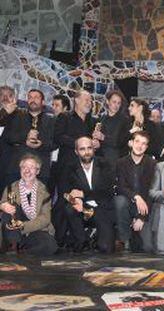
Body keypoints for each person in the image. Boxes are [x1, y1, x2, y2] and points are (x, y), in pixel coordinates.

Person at [53, 90, 97, 247]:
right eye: (86, 99)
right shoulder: (64, 117)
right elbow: (58, 137)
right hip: (66, 169)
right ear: (76, 100)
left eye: (90, 100)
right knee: (64, 202)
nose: (89, 102)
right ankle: (58, 239)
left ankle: (79, 239)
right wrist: (80, 144)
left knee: (81, 202)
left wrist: (96, 144)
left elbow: (94, 145)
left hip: (86, 171)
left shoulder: (93, 121)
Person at [63, 137, 116, 253]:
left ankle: (97, 239)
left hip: (102, 208)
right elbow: (65, 192)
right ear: (76, 151)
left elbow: (107, 192)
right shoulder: (69, 167)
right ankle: (81, 240)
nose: (86, 152)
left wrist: (83, 195)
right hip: (80, 208)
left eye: (89, 148)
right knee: (69, 208)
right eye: (82, 149)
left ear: (94, 149)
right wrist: (75, 200)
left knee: (106, 248)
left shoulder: (105, 164)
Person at [0, 154, 57, 255]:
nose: (27, 170)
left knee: (50, 246)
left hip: (33, 229)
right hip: (12, 233)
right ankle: (14, 246)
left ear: (38, 171)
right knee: (10, 209)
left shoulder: (44, 191)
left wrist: (23, 226)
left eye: (31, 167)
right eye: (24, 167)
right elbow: (3, 209)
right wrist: (2, 206)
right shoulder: (10, 188)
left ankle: (21, 252)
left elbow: (45, 219)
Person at [114, 131, 156, 252]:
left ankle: (135, 231)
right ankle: (125, 238)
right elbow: (121, 187)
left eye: (144, 143)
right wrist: (136, 197)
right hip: (127, 204)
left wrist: (142, 217)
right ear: (131, 143)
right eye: (137, 141)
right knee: (119, 201)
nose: (139, 146)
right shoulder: (121, 162)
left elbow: (152, 192)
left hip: (146, 207)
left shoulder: (153, 164)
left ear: (147, 147)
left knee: (147, 247)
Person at [2, 89, 55, 185]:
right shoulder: (16, 116)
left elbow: (55, 143)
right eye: (30, 97)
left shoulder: (52, 121)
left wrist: (41, 144)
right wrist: (25, 138)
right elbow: (8, 137)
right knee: (12, 199)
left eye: (36, 97)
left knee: (38, 200)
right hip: (16, 168)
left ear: (43, 102)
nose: (32, 100)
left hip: (41, 171)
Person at [94, 90, 130, 164]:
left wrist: (103, 137)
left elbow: (121, 142)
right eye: (114, 102)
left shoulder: (124, 120)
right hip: (101, 159)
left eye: (118, 103)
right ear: (108, 102)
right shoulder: (101, 119)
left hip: (116, 161)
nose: (116, 105)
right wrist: (96, 143)